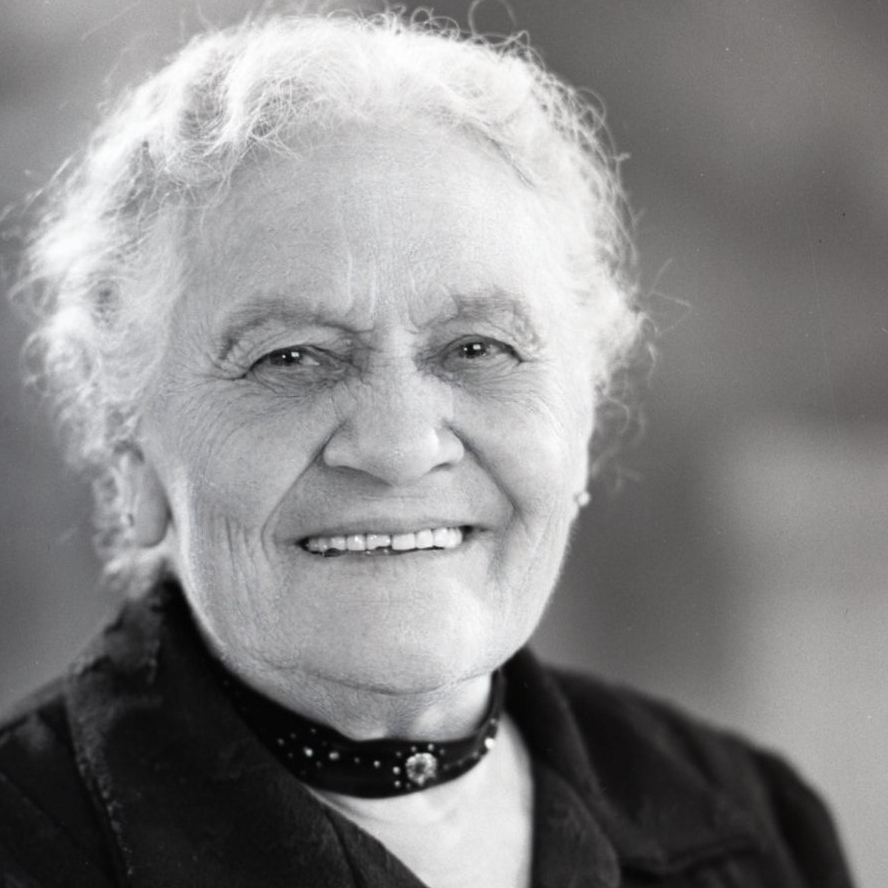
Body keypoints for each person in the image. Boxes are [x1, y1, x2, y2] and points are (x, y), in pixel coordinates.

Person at [0, 10, 854, 888]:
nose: (400, 447)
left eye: (478, 349)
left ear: (581, 420)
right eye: (290, 357)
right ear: (130, 458)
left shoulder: (755, 827)